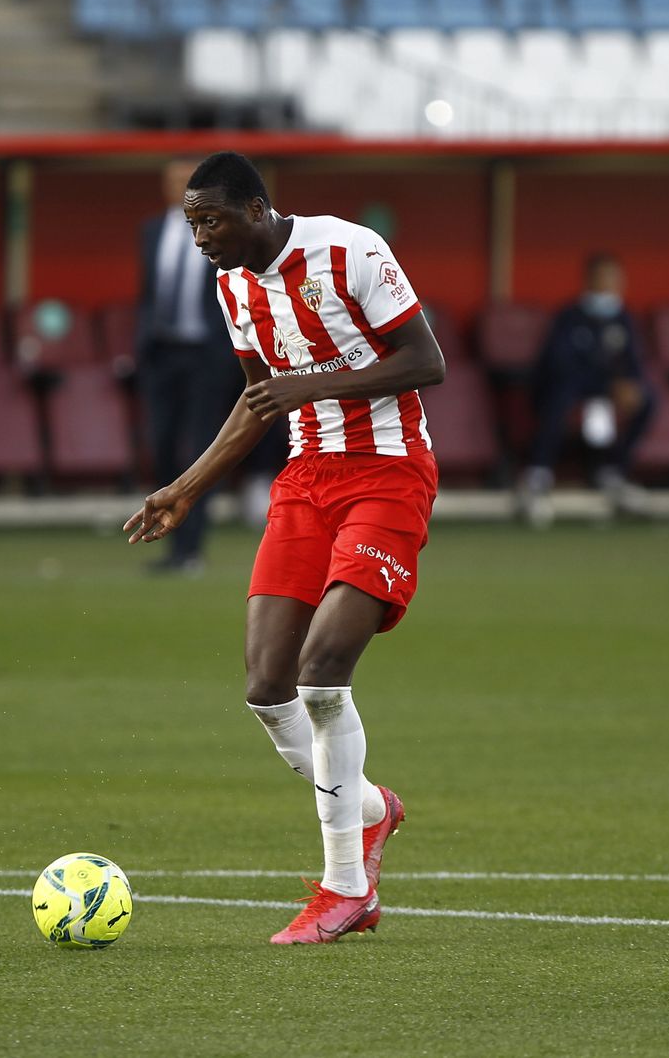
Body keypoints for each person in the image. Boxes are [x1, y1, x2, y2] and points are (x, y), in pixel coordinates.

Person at [125, 152, 445, 944]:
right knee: (268, 689)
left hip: (388, 472)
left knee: (323, 670)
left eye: (210, 220)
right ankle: (370, 809)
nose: (199, 237)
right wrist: (185, 487)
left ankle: (346, 889)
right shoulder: (234, 284)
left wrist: (312, 386)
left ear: (257, 209)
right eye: (191, 223)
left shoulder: (351, 251)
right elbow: (258, 399)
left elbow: (426, 361)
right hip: (307, 481)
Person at [135, 158, 241, 573]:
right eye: (173, 180)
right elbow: (147, 294)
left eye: (187, 182)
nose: (179, 188)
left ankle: (192, 549)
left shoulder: (221, 231)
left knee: (200, 450)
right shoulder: (150, 231)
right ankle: (171, 545)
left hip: (206, 356)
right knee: (160, 445)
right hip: (162, 354)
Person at [517, 253, 657, 526]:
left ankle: (612, 470)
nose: (611, 285)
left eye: (615, 279)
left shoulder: (624, 319)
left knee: (647, 400)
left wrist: (629, 385)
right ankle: (538, 473)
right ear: (590, 280)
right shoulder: (569, 316)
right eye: (604, 278)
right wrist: (606, 384)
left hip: (606, 394)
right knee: (560, 398)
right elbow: (559, 363)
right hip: (570, 387)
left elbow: (635, 362)